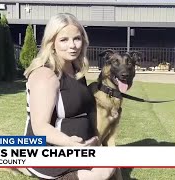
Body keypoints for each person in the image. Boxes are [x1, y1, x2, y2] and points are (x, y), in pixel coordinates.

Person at [22, 13, 116, 180]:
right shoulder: (46, 75)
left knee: (111, 164)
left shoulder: (75, 69)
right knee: (103, 172)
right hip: (48, 152)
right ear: (52, 43)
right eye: (64, 40)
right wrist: (71, 144)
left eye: (77, 39)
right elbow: (40, 128)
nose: (72, 45)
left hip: (78, 148)